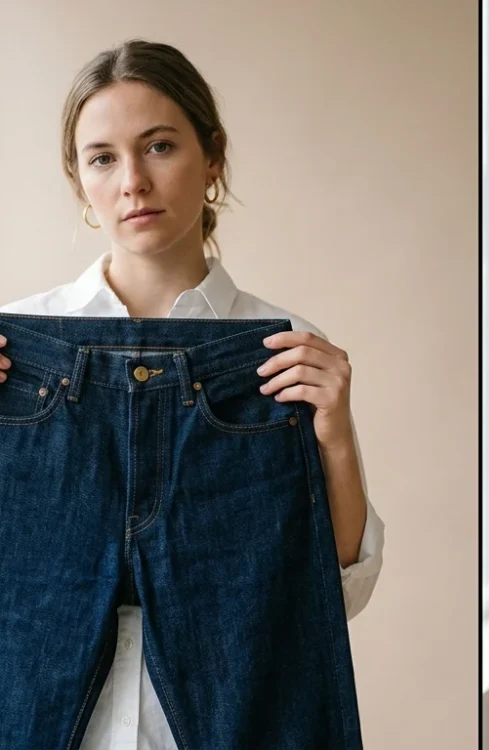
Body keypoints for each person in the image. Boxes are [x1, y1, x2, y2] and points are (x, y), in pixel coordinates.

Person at [0, 39, 384, 748]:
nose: (133, 183)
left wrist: (334, 435)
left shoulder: (285, 348)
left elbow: (336, 597)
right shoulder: (12, 356)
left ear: (212, 157)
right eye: (103, 157)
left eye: (160, 146)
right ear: (78, 178)